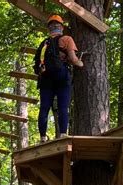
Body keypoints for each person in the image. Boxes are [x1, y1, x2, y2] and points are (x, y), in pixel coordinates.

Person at [33, 14, 84, 143]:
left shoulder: (44, 44)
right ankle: (62, 135)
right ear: (61, 27)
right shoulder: (66, 39)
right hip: (61, 75)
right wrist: (81, 63)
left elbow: (38, 64)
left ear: (49, 28)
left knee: (44, 108)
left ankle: (43, 137)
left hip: (45, 78)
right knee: (63, 107)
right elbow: (73, 59)